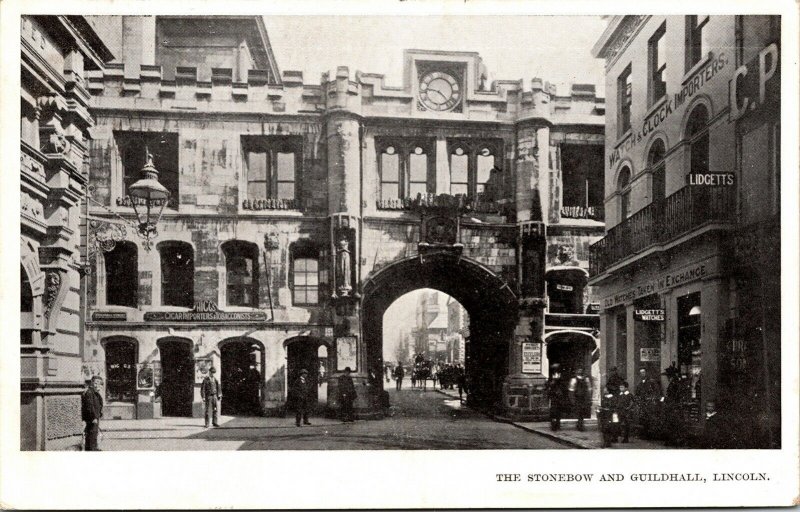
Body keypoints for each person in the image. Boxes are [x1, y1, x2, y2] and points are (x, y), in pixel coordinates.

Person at [634, 368, 662, 439]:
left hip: (650, 404)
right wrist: (638, 400)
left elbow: (657, 392)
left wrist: (652, 399)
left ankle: (651, 435)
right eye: (641, 373)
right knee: (643, 419)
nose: (642, 374)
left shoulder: (651, 382)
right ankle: (644, 434)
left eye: (643, 372)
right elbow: (637, 393)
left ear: (646, 373)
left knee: (650, 419)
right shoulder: (640, 383)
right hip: (643, 404)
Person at [81, 376, 104, 451]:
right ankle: (91, 450)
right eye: (95, 383)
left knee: (94, 434)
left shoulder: (95, 393)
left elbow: (99, 404)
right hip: (92, 418)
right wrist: (93, 417)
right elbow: (89, 406)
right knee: (92, 434)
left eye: (99, 383)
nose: (97, 385)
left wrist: (99, 414)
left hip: (95, 417)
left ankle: (93, 448)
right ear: (91, 383)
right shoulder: (90, 392)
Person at [568, 367, 592, 431]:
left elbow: (589, 389)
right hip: (577, 398)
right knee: (579, 411)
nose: (580, 371)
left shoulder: (586, 379)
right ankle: (579, 424)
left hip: (584, 398)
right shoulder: (574, 379)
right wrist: (572, 399)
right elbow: (571, 390)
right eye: (578, 370)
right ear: (576, 371)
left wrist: (589, 397)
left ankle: (580, 424)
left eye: (581, 370)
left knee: (582, 412)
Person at [599, 381, 620, 448]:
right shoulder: (604, 397)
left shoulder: (612, 398)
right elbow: (603, 406)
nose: (603, 390)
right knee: (604, 429)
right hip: (604, 415)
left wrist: (608, 409)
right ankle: (607, 442)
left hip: (609, 415)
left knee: (608, 428)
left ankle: (607, 443)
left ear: (608, 390)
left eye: (605, 389)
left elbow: (614, 407)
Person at [547, 364, 568, 431]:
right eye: (555, 369)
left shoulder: (561, 377)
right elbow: (549, 386)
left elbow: (564, 387)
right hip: (553, 396)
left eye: (557, 369)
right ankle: (554, 425)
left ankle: (557, 424)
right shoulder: (551, 378)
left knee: (558, 411)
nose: (556, 371)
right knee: (553, 411)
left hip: (559, 397)